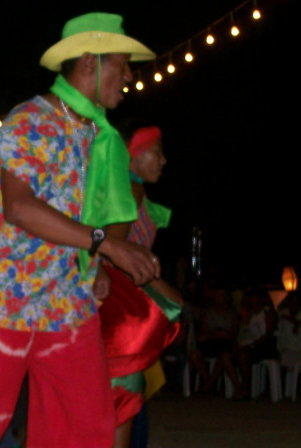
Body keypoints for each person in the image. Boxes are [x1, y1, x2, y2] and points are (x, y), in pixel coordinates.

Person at [0, 12, 159, 447]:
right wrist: (106, 246)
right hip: (6, 299)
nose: (128, 75)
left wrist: (95, 263)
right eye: (122, 63)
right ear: (90, 62)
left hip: (68, 301)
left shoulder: (96, 136)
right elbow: (20, 208)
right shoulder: (33, 119)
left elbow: (81, 213)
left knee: (85, 428)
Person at [97, 119, 183, 446]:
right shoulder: (129, 191)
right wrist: (163, 289)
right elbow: (112, 254)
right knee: (123, 398)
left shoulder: (129, 190)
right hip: (121, 316)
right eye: (156, 153)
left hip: (120, 308)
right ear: (132, 158)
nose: (163, 161)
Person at [233, 288, 279, 400]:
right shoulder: (250, 315)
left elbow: (268, 334)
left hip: (264, 346)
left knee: (243, 357)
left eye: (254, 298)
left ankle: (245, 390)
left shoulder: (268, 313)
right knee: (226, 355)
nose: (251, 301)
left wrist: (250, 345)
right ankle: (238, 387)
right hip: (249, 345)